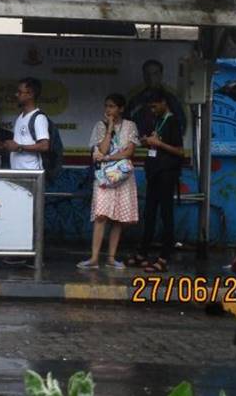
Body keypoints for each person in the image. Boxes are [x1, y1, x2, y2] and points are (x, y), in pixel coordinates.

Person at [77, 93, 139, 270]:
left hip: (122, 177)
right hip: (104, 177)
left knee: (118, 218)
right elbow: (101, 149)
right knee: (101, 215)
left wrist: (108, 158)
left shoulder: (130, 126)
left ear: (121, 108)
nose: (108, 110)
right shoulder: (100, 126)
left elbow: (129, 152)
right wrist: (109, 128)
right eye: (106, 106)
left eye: (112, 106)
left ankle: (111, 258)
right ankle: (95, 258)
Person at [131, 88, 185, 272]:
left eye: (155, 106)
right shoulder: (158, 120)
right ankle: (142, 252)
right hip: (154, 172)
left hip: (167, 174)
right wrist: (149, 142)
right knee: (150, 213)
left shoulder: (173, 122)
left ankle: (164, 257)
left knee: (166, 214)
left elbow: (180, 151)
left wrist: (159, 144)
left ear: (163, 102)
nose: (152, 110)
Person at [126, 59, 187, 140]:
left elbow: (181, 125)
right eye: (147, 74)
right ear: (143, 75)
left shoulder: (171, 99)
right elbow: (126, 123)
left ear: (161, 75)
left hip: (164, 146)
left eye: (155, 74)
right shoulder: (136, 100)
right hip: (140, 147)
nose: (151, 77)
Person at [6, 77, 49, 171]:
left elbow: (44, 146)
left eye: (20, 92)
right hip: (19, 172)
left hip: (31, 173)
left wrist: (19, 148)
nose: (16, 94)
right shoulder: (20, 117)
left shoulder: (38, 118)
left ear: (30, 94)